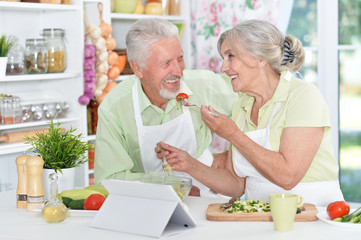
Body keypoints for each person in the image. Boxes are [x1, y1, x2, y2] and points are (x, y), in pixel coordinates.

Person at [156, 19, 344, 206]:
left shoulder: (303, 96)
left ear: (260, 58)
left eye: (230, 56)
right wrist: (189, 164)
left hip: (312, 214)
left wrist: (232, 134)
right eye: (223, 58)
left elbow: (288, 177)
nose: (223, 67)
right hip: (260, 216)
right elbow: (235, 184)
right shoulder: (242, 106)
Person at [94, 18, 239, 197]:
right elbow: (109, 178)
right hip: (148, 201)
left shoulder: (203, 84)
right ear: (137, 68)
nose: (178, 71)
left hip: (211, 193)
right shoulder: (115, 107)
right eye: (166, 63)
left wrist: (233, 153)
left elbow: (257, 100)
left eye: (180, 59)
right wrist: (173, 186)